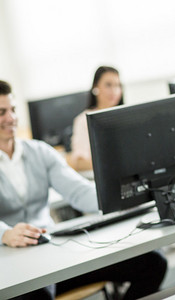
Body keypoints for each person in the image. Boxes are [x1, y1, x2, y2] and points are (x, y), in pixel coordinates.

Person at [0, 80, 166, 299]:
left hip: (51, 253)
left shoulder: (39, 152)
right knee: (37, 295)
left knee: (153, 261)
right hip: (13, 267)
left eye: (13, 110)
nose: (11, 118)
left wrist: (132, 193)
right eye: (2, 112)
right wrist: (5, 233)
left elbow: (80, 192)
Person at [68, 66, 124, 171]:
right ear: (96, 87)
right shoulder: (83, 120)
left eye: (117, 85)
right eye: (108, 85)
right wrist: (112, 165)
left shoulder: (125, 117)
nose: (114, 91)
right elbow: (79, 163)